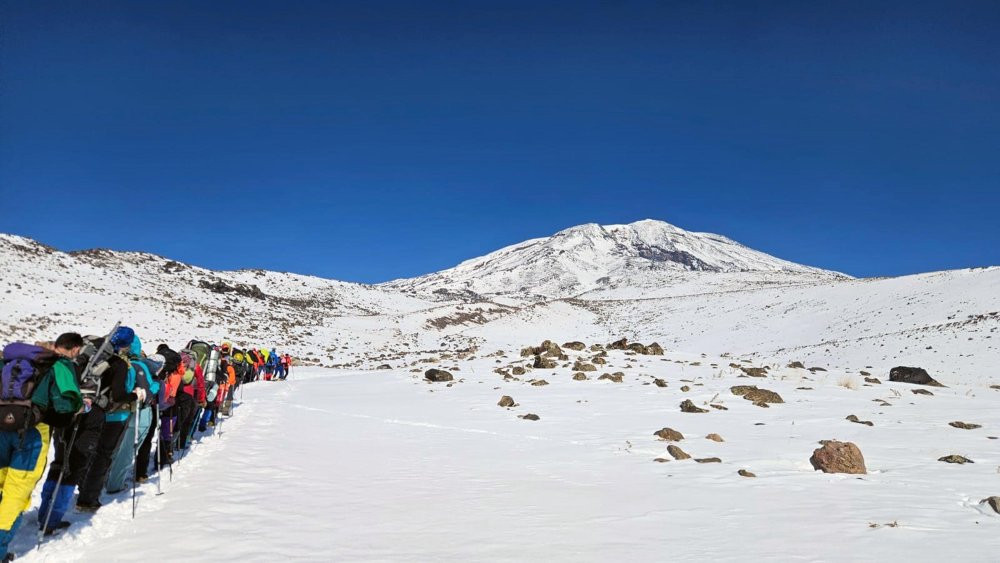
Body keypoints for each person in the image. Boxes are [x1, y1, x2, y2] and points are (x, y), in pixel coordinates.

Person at [0, 334, 82, 558]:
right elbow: (64, 406)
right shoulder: (56, 365)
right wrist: (77, 410)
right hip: (32, 433)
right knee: (16, 492)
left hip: (1, 427)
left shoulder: (7, 362)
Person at [75, 326, 147, 512]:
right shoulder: (120, 364)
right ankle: (88, 499)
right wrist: (135, 395)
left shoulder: (91, 354)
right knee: (103, 454)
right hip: (108, 413)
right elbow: (119, 394)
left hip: (82, 408)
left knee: (83, 451)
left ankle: (76, 488)